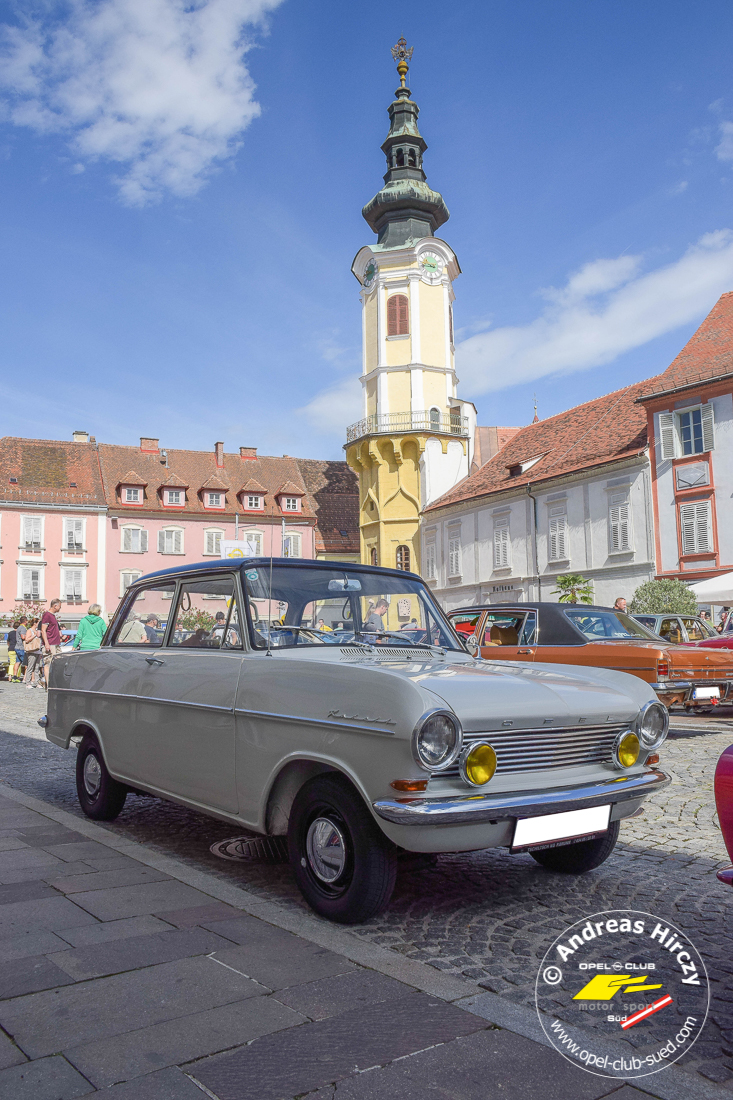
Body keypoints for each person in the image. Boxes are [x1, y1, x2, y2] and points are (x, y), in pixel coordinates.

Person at [40, 600, 62, 687]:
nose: (60, 608)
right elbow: (43, 630)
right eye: (60, 606)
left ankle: (54, 683)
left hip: (56, 643)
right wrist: (46, 643)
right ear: (55, 606)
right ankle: (49, 685)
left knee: (57, 662)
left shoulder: (53, 616)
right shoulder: (47, 615)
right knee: (48, 663)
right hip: (50, 643)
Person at [23, 619, 44, 688]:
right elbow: (27, 639)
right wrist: (34, 635)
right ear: (34, 623)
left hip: (38, 651)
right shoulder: (30, 630)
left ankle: (37, 682)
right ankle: (28, 683)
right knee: (30, 667)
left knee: (37, 667)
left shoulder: (38, 630)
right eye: (38, 622)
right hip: (32, 651)